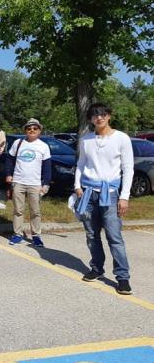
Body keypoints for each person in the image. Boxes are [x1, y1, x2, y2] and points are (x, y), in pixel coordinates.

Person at [75, 103, 134, 295]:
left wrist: (124, 197)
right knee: (92, 235)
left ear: (109, 116)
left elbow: (128, 168)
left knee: (114, 236)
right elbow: (81, 164)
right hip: (88, 192)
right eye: (94, 115)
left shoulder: (121, 138)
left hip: (110, 194)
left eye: (102, 114)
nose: (99, 118)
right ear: (90, 119)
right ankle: (97, 268)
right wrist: (77, 186)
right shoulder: (86, 140)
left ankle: (122, 277)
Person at [5, 118, 51, 247]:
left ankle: (36, 236)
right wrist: (8, 174)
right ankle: (17, 234)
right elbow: (9, 159)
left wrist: (46, 184)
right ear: (25, 130)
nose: (32, 130)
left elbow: (47, 167)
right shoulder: (18, 143)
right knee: (18, 210)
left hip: (35, 183)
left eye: (35, 128)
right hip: (18, 181)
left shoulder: (43, 146)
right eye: (29, 128)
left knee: (35, 211)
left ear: (39, 131)